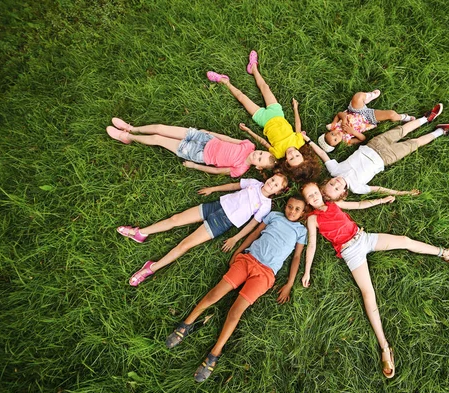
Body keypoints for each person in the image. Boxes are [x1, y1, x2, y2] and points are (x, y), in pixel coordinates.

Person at [300, 182, 449, 378]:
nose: (313, 197)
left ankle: (446, 253)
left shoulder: (334, 204)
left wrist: (381, 200)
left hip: (363, 237)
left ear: (320, 192)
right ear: (307, 202)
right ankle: (384, 346)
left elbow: (359, 205)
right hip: (350, 251)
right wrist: (307, 271)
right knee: (368, 293)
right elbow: (311, 245)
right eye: (309, 197)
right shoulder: (313, 219)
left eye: (314, 193)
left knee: (405, 241)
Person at [164, 197, 308, 383]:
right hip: (247, 260)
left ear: (303, 213)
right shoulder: (274, 216)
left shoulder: (301, 231)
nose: (292, 211)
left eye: (297, 209)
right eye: (290, 206)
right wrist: (238, 251)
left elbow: (296, 257)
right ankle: (186, 324)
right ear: (285, 206)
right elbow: (255, 234)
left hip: (265, 274)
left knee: (236, 311)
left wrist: (289, 283)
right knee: (215, 294)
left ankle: (215, 353)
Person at [117, 174, 288, 286]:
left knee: (185, 245)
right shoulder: (253, 183)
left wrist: (235, 239)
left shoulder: (266, 206)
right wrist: (213, 188)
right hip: (215, 206)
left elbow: (252, 226)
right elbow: (233, 186)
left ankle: (150, 268)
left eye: (276, 185)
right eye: (273, 179)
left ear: (278, 192)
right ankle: (141, 232)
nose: (271, 183)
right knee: (175, 219)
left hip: (222, 222)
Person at [304, 103, 449, 199]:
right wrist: (402, 193)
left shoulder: (335, 170)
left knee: (401, 130)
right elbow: (379, 189)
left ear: (328, 180)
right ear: (344, 194)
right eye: (337, 188)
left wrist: (308, 140)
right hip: (386, 158)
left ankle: (426, 118)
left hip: (373, 145)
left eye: (332, 183)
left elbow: (323, 154)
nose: (337, 183)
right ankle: (441, 131)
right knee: (414, 143)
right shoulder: (357, 188)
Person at [206, 50, 321, 182]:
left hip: (263, 120)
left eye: (291, 158)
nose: (292, 153)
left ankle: (224, 81)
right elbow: (297, 126)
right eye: (297, 155)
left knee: (242, 98)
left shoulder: (277, 153)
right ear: (302, 154)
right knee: (264, 87)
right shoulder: (299, 142)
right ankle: (253, 68)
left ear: (287, 163)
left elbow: (264, 142)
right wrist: (296, 109)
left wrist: (249, 131)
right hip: (277, 113)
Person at [105, 119, 276, 177]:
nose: (257, 154)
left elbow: (217, 171)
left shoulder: (240, 169)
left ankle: (128, 137)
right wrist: (210, 133)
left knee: (158, 139)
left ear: (258, 166)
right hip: (205, 138)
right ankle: (132, 128)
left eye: (259, 158)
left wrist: (194, 165)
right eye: (261, 152)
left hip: (199, 154)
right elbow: (228, 139)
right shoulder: (249, 145)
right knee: (160, 128)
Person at [318, 90, 415, 152]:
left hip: (355, 111)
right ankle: (404, 117)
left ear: (329, 131)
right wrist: (353, 132)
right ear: (338, 144)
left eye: (332, 134)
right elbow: (362, 138)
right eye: (335, 140)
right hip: (367, 120)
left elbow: (339, 114)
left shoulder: (334, 126)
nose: (336, 135)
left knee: (357, 96)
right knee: (391, 114)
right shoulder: (347, 141)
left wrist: (343, 119)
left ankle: (370, 95)